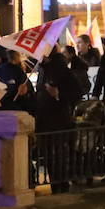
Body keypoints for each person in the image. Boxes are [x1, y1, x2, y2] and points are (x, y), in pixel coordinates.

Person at [35, 49, 83, 193]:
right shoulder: (42, 70)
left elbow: (77, 92)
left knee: (59, 154)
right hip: (44, 119)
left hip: (60, 119)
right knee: (49, 154)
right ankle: (55, 184)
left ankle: (62, 184)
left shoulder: (62, 70)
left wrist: (59, 94)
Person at [0, 41, 32, 111]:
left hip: (12, 112)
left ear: (2, 56)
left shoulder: (15, 71)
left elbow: (28, 92)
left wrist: (25, 91)